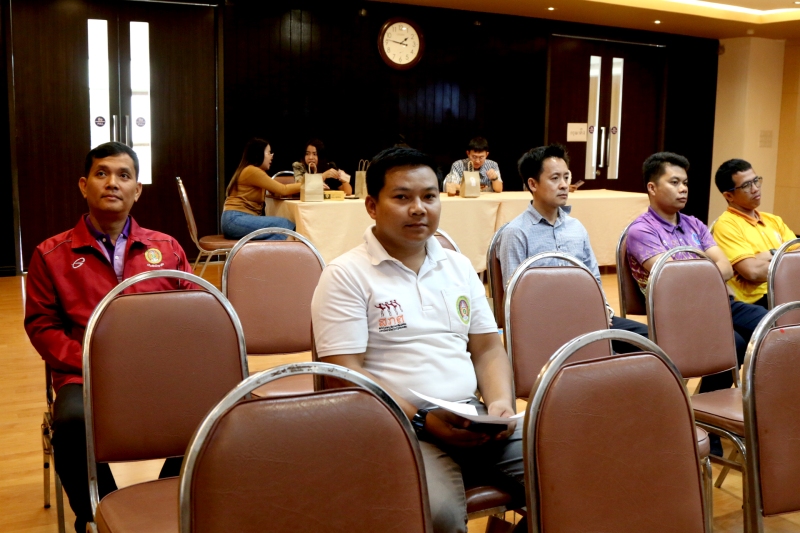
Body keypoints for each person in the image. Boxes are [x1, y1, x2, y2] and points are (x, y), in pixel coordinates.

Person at [311, 147, 525, 533]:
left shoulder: (458, 266)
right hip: (398, 426)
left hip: (473, 417)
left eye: (429, 196)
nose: (418, 209)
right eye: (402, 197)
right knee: (437, 515)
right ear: (372, 206)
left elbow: (487, 348)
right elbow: (345, 374)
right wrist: (424, 420)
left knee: (571, 468)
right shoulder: (345, 275)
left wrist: (500, 405)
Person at [24, 142, 193, 531]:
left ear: (138, 190)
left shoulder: (167, 249)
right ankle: (98, 514)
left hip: (156, 372)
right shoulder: (50, 255)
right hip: (83, 376)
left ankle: (172, 501)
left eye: (124, 175)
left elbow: (193, 316)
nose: (112, 183)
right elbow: (42, 327)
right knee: (71, 422)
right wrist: (92, 363)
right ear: (84, 185)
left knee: (210, 410)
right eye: (101, 173)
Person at [626, 152, 767, 396]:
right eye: (674, 182)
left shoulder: (694, 224)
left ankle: (716, 404)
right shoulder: (641, 231)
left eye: (685, 183)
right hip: (679, 312)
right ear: (652, 188)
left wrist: (696, 273)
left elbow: (726, 267)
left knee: (769, 324)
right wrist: (706, 270)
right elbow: (674, 279)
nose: (683, 189)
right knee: (734, 343)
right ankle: (704, 405)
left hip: (718, 303)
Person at [497, 144, 649, 353]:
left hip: (587, 317)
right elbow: (516, 297)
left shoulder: (576, 227)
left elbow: (594, 277)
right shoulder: (516, 232)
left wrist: (602, 309)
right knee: (608, 358)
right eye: (555, 178)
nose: (564, 185)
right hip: (547, 326)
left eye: (566, 177)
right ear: (532, 184)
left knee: (652, 340)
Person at [711, 159, 796, 309]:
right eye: (746, 185)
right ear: (729, 196)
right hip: (758, 301)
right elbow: (753, 272)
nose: (755, 188)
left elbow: (797, 257)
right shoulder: (726, 225)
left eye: (756, 181)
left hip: (787, 291)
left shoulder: (773, 220)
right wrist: (782, 256)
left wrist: (767, 255)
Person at [222, 138, 299, 241]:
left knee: (280, 232)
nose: (272, 156)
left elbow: (276, 191)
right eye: (269, 153)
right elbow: (283, 189)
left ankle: (260, 251)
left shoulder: (253, 171)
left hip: (235, 219)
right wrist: (307, 184)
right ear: (258, 154)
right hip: (235, 219)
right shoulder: (252, 171)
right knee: (284, 224)